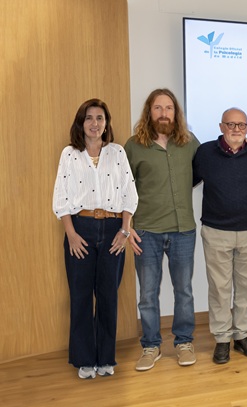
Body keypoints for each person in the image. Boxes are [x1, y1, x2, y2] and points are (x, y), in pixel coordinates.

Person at [53, 98, 138, 379]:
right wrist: (71, 234)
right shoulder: (69, 154)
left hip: (113, 230)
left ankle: (105, 358)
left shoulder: (117, 152)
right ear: (81, 123)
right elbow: (61, 198)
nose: (94, 123)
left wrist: (125, 230)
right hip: (80, 229)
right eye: (89, 118)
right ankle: (84, 359)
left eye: (100, 118)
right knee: (80, 296)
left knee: (107, 295)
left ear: (106, 123)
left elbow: (129, 194)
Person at [125, 88, 201, 371]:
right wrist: (127, 226)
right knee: (147, 294)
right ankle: (151, 346)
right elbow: (124, 187)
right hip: (147, 232)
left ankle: (184, 342)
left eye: (168, 108)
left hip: (183, 230)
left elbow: (203, 170)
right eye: (158, 108)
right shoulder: (134, 146)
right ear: (149, 112)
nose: (164, 113)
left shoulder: (189, 142)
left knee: (184, 290)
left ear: (175, 112)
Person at [193, 108, 247, 364]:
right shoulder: (205, 153)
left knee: (246, 288)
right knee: (219, 289)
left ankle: (241, 335)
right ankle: (222, 339)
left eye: (241, 125)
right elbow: (189, 181)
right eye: (231, 124)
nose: (236, 129)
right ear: (221, 126)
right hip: (216, 231)